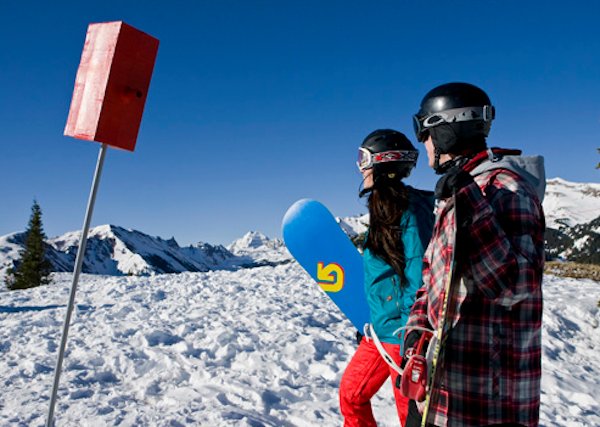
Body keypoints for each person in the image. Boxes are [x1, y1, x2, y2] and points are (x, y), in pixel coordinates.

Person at [402, 82, 546, 427]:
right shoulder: (463, 187)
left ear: (446, 130)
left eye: (426, 133)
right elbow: (434, 275)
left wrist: (469, 205)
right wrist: (418, 332)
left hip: (489, 399)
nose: (423, 145)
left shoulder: (506, 190)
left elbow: (514, 288)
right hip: (448, 387)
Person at [339, 129, 434, 427]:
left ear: (383, 163)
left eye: (364, 159)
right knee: (351, 395)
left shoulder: (411, 212)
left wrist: (413, 338)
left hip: (404, 337)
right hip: (379, 335)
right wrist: (371, 321)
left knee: (412, 418)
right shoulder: (383, 209)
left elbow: (420, 276)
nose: (361, 167)